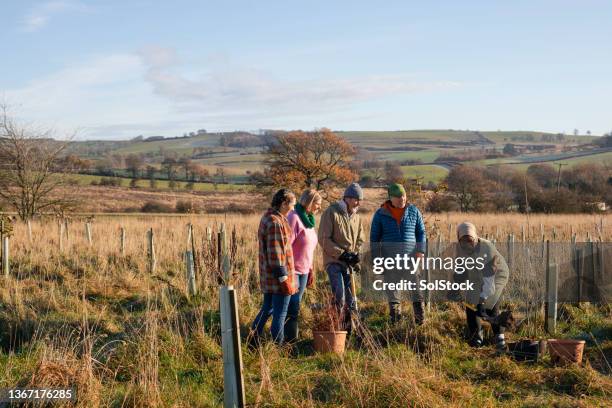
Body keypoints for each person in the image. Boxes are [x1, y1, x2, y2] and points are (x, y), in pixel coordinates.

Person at [370, 183, 426, 325]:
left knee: (417, 292)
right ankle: (396, 323)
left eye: (404, 196)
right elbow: (374, 239)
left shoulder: (414, 211)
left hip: (411, 259)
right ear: (391, 198)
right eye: (399, 197)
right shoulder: (380, 214)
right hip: (390, 260)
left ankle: (420, 322)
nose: (402, 199)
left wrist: (420, 251)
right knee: (393, 294)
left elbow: (421, 233)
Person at [250, 189, 298, 345]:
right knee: (280, 315)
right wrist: (284, 280)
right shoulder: (274, 222)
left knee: (267, 309)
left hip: (271, 277)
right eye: (292, 204)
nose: (293, 208)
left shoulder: (273, 218)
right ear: (284, 203)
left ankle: (252, 341)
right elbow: (276, 255)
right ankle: (280, 348)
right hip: (277, 278)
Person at [454, 222, 510, 350]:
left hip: (497, 275)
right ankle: (476, 338)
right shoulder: (459, 249)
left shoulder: (487, 248)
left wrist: (482, 299)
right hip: (477, 275)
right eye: (464, 241)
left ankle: (499, 340)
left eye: (470, 240)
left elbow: (489, 280)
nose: (468, 244)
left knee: (490, 306)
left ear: (475, 238)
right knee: (470, 306)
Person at [318, 182, 365, 332]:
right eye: (356, 199)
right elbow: (324, 239)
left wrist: (355, 255)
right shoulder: (331, 212)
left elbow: (360, 239)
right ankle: (337, 327)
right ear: (347, 198)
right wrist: (342, 254)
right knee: (340, 295)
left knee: (351, 299)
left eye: (359, 200)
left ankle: (350, 329)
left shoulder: (356, 217)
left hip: (349, 264)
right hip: (334, 262)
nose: (358, 203)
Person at [284, 188, 323, 342]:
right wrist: (290, 271)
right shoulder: (294, 218)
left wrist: (311, 269)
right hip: (294, 271)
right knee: (292, 308)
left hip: (305, 270)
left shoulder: (309, 219)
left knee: (295, 307)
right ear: (309, 202)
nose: (319, 207)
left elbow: (309, 247)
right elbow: (287, 247)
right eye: (317, 204)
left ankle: (291, 338)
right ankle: (288, 342)